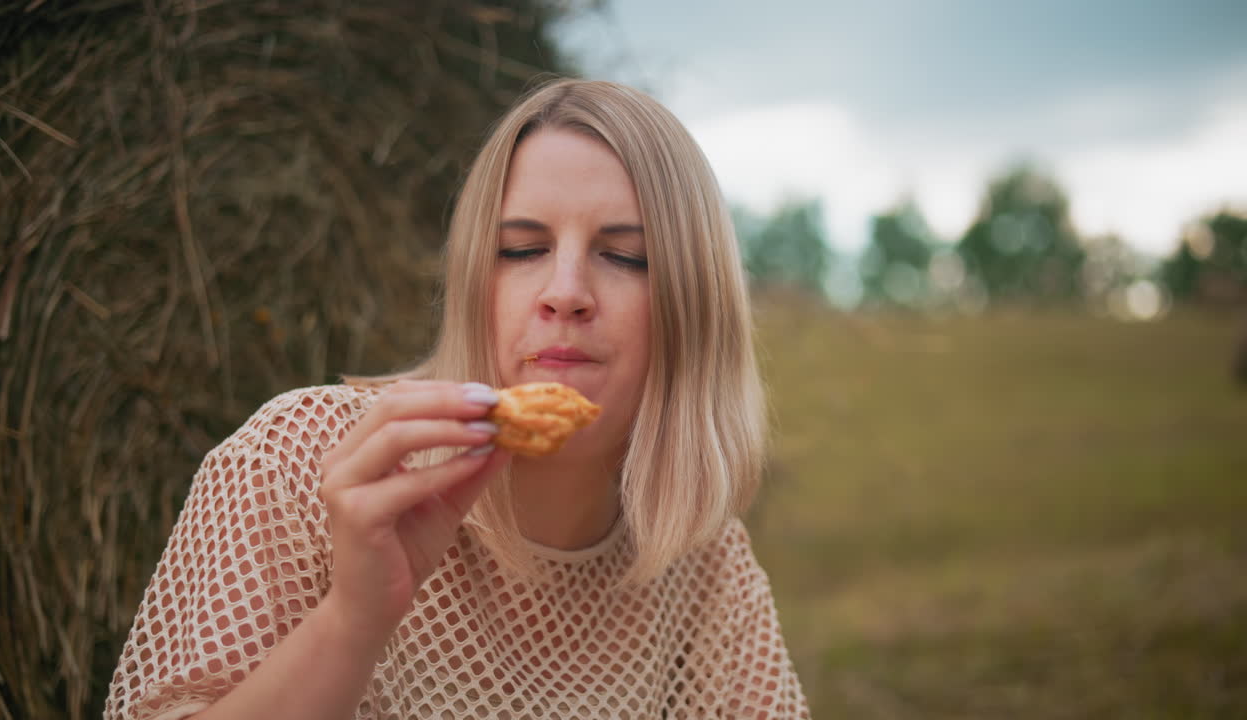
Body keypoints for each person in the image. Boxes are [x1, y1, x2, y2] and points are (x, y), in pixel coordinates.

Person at [104, 78, 811, 720]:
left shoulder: (702, 563)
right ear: (477, 280)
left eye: (625, 256)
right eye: (522, 249)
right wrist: (353, 621)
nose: (565, 291)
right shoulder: (297, 463)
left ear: (695, 304)